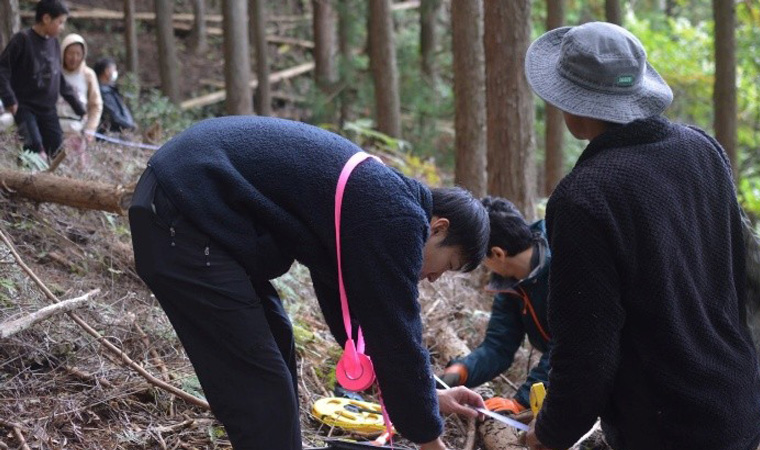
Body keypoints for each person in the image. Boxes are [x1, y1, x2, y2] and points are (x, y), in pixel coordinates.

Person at [128, 116, 490, 450]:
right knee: (264, 388)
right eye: (447, 265)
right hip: (183, 211)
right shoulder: (399, 219)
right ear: (438, 228)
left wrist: (427, 398)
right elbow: (396, 334)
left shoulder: (382, 206)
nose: (434, 277)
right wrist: (430, 440)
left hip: (196, 209)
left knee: (276, 342)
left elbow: (367, 326)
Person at [522, 22, 760, 450]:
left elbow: (587, 351)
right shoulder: (704, 150)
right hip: (739, 403)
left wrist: (550, 433)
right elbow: (738, 276)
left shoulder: (584, 199)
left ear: (571, 103)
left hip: (667, 427)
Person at [440, 196, 552, 415]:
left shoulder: (563, 267)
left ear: (498, 253)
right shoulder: (509, 282)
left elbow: (570, 346)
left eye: (483, 259)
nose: (484, 266)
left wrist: (522, 401)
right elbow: (499, 346)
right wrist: (463, 370)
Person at [0, 0, 86, 160]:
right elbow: (3, 69)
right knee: (34, 150)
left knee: (57, 153)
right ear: (46, 18)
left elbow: (59, 79)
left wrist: (78, 107)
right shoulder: (22, 40)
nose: (62, 27)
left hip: (48, 110)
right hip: (24, 108)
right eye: (60, 22)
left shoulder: (54, 43)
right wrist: (9, 98)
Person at [56, 33, 101, 167]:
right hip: (54, 127)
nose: (74, 58)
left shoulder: (88, 74)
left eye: (78, 54)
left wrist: (91, 128)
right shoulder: (55, 71)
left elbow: (95, 105)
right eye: (70, 53)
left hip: (77, 129)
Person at [94, 57, 135, 133]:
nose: (115, 72)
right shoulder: (103, 92)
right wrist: (130, 125)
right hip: (109, 134)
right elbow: (114, 116)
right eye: (114, 69)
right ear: (107, 71)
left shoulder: (109, 90)